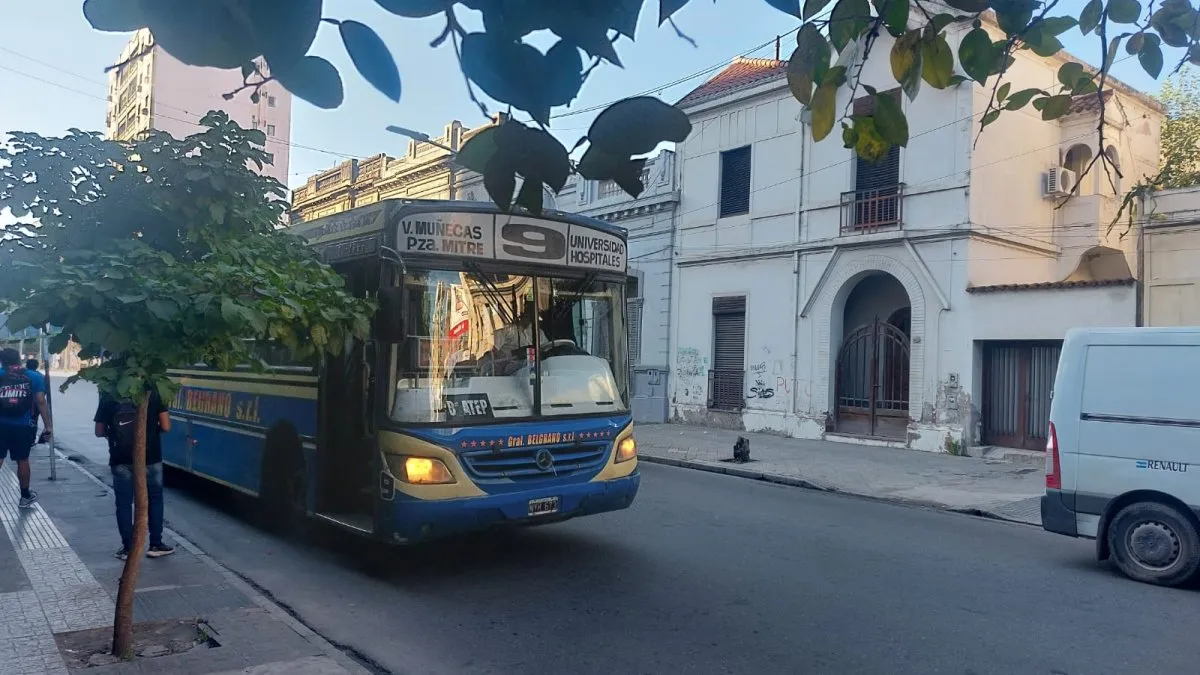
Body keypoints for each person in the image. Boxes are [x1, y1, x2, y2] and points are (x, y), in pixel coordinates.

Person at [94, 389, 175, 559]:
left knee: (123, 504)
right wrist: (151, 434)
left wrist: (114, 435)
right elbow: (166, 426)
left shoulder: (111, 392)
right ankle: (156, 544)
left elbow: (99, 431)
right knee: (155, 499)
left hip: (120, 458)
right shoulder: (152, 390)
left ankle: (128, 548)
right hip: (150, 457)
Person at [0, 348, 51, 508]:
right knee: (22, 460)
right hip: (23, 425)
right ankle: (25, 496)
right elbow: (41, 401)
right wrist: (48, 425)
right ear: (19, 360)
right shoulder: (33, 376)